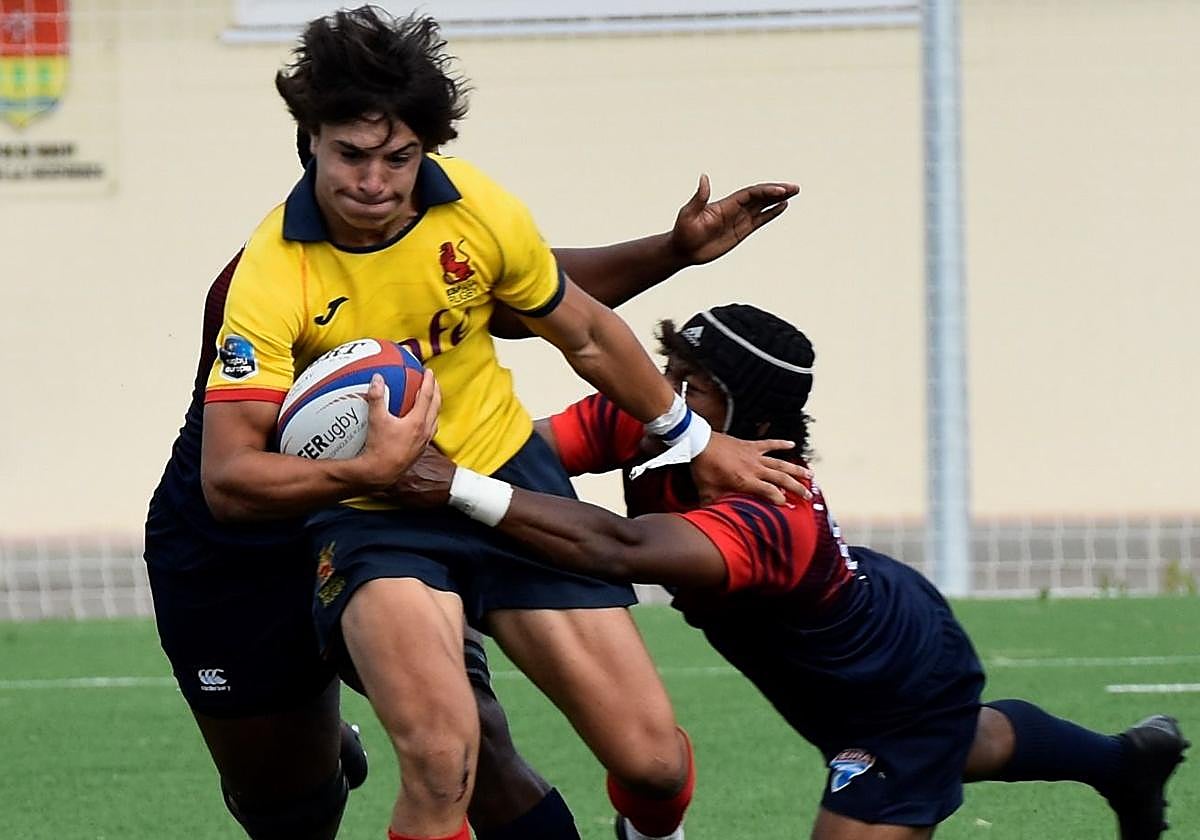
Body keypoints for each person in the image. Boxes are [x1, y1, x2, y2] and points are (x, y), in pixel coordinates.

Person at [146, 8, 805, 840]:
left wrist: (693, 435)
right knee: (380, 779)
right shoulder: (267, 278)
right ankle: (327, 751)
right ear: (309, 141)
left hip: (490, 478)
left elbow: (563, 311)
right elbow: (231, 476)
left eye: (400, 157)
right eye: (352, 155)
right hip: (328, 524)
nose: (377, 182)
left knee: (649, 761)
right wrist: (369, 472)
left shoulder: (473, 206)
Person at [394, 302, 1191, 840]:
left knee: (926, 743)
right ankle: (1126, 760)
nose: (666, 395)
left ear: (758, 423)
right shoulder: (656, 423)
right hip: (872, 655)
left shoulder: (775, 516)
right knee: (962, 738)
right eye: (668, 370)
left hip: (896, 691)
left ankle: (1119, 762)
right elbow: (525, 453)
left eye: (693, 387)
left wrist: (454, 487)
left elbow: (618, 551)